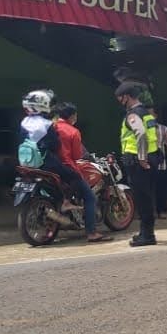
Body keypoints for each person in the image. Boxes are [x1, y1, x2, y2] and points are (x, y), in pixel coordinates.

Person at [55, 102, 111, 243]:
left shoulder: (52, 127)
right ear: (72, 115)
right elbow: (76, 155)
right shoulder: (73, 131)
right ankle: (92, 233)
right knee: (90, 198)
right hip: (68, 167)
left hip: (50, 167)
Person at [116, 82, 161, 247]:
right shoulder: (147, 114)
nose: (119, 101)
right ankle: (145, 232)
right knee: (147, 196)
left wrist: (141, 158)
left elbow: (141, 136)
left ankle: (147, 235)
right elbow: (155, 135)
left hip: (138, 161)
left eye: (120, 98)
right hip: (152, 157)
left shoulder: (133, 115)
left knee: (143, 198)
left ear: (126, 97)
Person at [152, 113, 167, 219]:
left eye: (151, 114)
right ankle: (146, 213)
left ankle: (162, 210)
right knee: (145, 190)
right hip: (144, 164)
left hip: (160, 164)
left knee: (160, 189)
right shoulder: (141, 129)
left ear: (156, 115)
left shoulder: (163, 129)